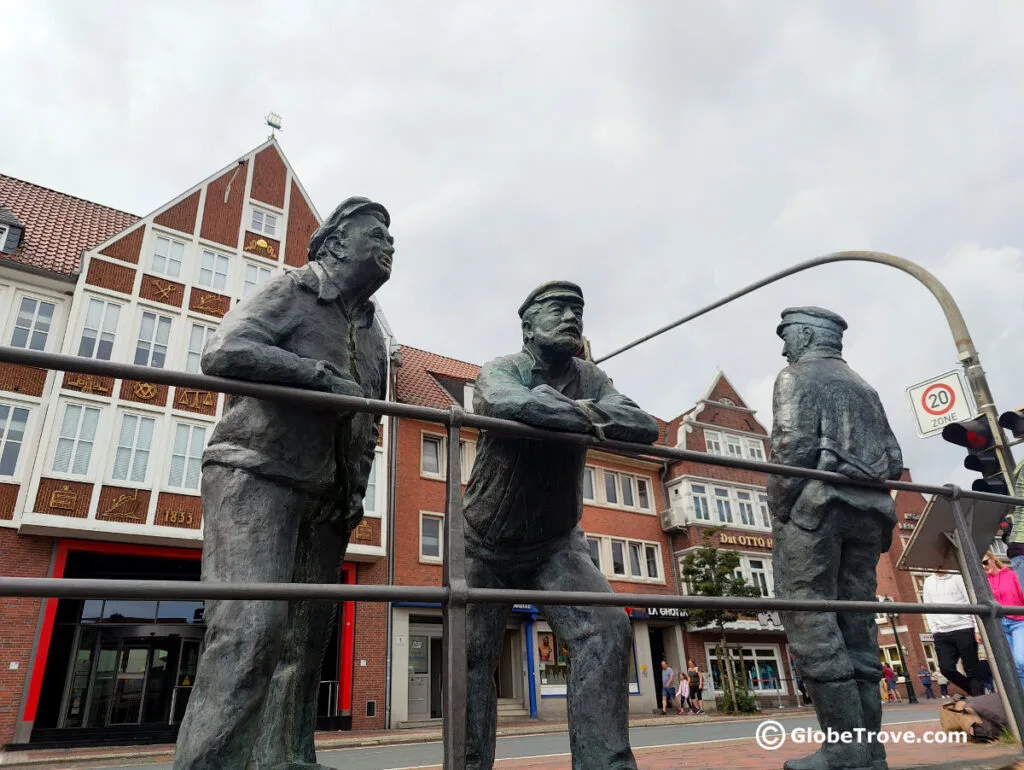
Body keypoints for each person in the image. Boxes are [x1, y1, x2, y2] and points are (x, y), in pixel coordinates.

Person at [173, 197, 394, 770]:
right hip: (256, 471)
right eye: (378, 234)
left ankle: (286, 759)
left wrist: (353, 495)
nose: (390, 245)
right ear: (336, 243)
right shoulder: (292, 290)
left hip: (328, 496)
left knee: (302, 644)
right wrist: (317, 378)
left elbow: (367, 423)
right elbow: (223, 352)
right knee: (250, 629)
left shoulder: (375, 336)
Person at [462, 281, 660, 770]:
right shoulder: (501, 368)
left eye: (579, 310)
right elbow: (505, 403)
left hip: (557, 544)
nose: (572, 317)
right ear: (528, 325)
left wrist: (573, 411)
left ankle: (605, 764)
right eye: (558, 309)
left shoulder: (591, 377)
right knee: (470, 656)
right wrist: (593, 419)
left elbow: (643, 427)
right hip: (484, 543)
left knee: (607, 630)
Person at [768, 307, 903, 770]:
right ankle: (870, 750)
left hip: (818, 512)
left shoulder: (795, 377)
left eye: (787, 336)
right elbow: (893, 454)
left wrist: (780, 508)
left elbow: (790, 449)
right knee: (857, 623)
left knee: (809, 618)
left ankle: (844, 749)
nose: (784, 346)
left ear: (805, 334)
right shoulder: (865, 387)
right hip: (871, 515)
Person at [922, 571, 984, 697]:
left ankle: (979, 699)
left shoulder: (958, 577)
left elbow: (971, 602)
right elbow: (927, 607)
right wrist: (934, 629)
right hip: (941, 632)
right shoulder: (928, 582)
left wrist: (977, 628)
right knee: (945, 668)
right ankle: (975, 692)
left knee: (971, 669)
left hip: (964, 628)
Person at [982, 551, 1024, 693]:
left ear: (993, 560)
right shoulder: (983, 582)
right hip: (999, 624)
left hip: (1019, 622)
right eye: (980, 565)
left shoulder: (1012, 575)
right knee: (1013, 666)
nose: (984, 567)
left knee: (1021, 660)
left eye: (985, 562)